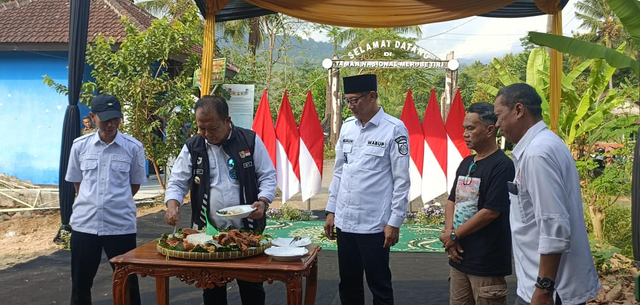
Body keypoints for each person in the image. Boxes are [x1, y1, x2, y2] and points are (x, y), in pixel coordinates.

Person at [164, 95, 276, 305]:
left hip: (247, 227)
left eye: (213, 128)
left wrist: (263, 200)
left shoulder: (249, 140)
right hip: (208, 231)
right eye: (201, 128)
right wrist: (172, 205)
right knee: (212, 289)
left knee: (252, 288)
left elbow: (267, 175)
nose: (207, 134)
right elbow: (178, 182)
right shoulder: (193, 146)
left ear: (227, 121)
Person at [493, 83, 600, 305]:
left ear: (519, 110)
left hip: (549, 290)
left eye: (499, 115)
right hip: (542, 285)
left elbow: (555, 226)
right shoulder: (545, 145)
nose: (497, 124)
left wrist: (543, 289)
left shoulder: (537, 154)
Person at [324, 74, 410, 305]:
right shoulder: (347, 127)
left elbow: (402, 180)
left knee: (379, 284)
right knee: (348, 283)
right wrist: (331, 211)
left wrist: (395, 222)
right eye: (347, 101)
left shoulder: (394, 129)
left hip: (375, 224)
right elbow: (339, 171)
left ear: (372, 96)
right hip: (346, 220)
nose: (351, 106)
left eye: (355, 101)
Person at [65, 94, 146, 305]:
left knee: (128, 283)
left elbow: (134, 185)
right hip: (85, 225)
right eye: (105, 119)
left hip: (120, 225)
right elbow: (77, 183)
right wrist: (92, 201)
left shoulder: (133, 147)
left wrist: (113, 202)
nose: (111, 125)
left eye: (115, 119)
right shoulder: (80, 146)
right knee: (80, 284)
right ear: (92, 117)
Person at [439, 102, 514, 304]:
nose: (465, 133)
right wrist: (449, 235)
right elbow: (452, 200)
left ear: (490, 130)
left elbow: (491, 211)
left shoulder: (502, 165)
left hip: (486, 261)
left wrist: (454, 235)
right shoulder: (467, 163)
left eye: (471, 128)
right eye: (464, 128)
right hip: (459, 258)